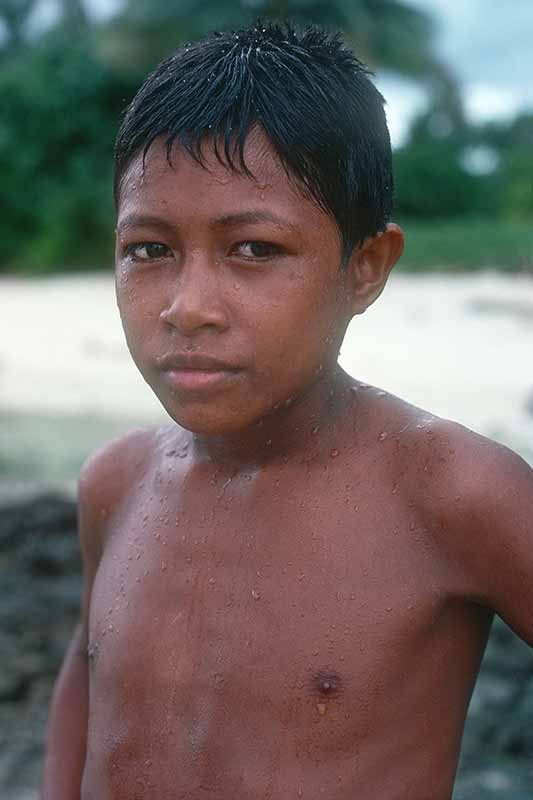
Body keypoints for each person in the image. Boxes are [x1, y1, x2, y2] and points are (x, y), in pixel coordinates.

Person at [41, 20, 533, 800]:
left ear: (364, 269)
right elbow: (86, 691)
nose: (187, 307)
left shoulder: (451, 491)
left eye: (255, 249)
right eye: (149, 249)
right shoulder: (116, 482)